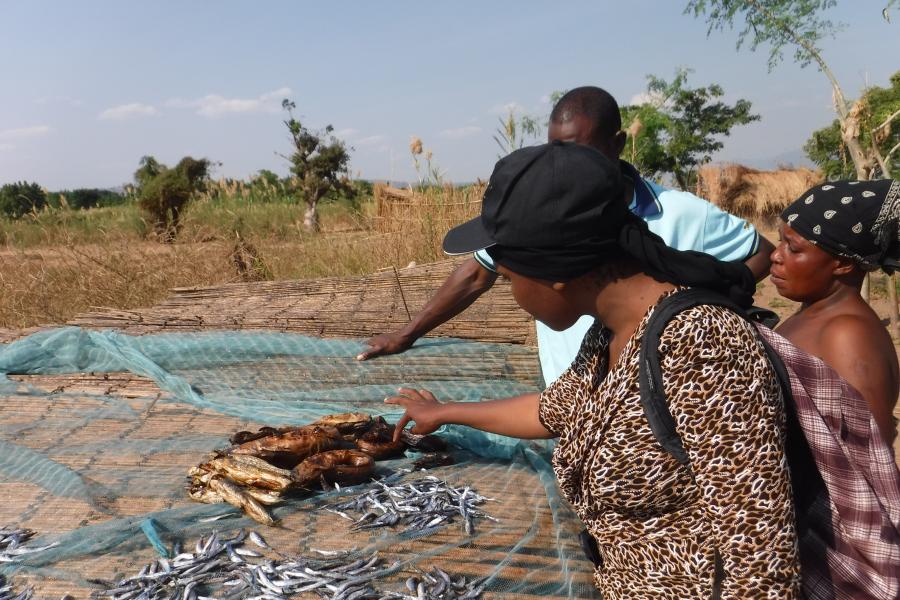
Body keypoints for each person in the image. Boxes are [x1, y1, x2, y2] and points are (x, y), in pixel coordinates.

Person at [386, 141, 800, 598]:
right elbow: (554, 409)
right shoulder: (609, 334)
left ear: (556, 273)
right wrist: (445, 412)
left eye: (509, 281)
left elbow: (762, 562)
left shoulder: (701, 344)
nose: (515, 297)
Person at [359, 86, 775, 387]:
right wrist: (408, 333)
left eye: (579, 149)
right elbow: (474, 274)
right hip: (575, 390)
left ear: (617, 144)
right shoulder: (547, 218)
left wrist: (693, 306)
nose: (562, 163)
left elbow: (760, 255)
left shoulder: (683, 216)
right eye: (554, 149)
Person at [770, 179, 900, 444]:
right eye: (780, 241)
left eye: (793, 248)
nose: (776, 255)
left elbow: (869, 459)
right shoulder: (814, 313)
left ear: (841, 263)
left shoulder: (848, 336)